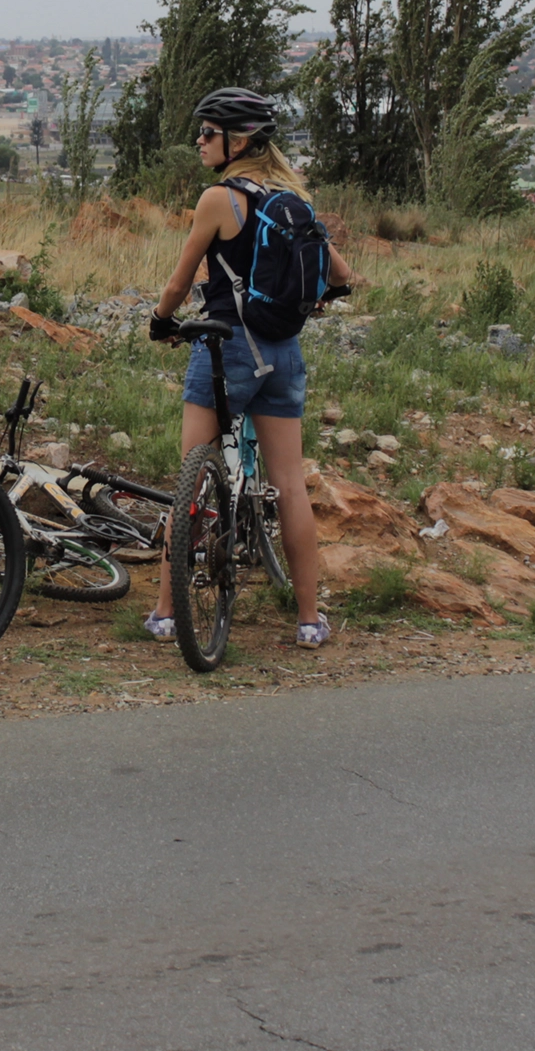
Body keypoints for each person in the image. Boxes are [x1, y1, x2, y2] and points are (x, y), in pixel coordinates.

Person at [142, 87, 360, 650]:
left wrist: (161, 321)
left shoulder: (219, 198)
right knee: (289, 484)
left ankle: (166, 613)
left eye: (207, 132)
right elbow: (341, 275)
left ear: (237, 141)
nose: (199, 140)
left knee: (190, 480)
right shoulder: (291, 199)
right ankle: (308, 620)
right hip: (283, 352)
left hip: (227, 349)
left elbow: (180, 281)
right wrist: (317, 296)